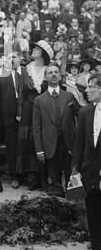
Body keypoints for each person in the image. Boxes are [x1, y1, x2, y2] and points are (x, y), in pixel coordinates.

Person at [33, 62, 79, 197]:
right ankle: (58, 201)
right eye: (50, 72)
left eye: (56, 72)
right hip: (50, 145)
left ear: (60, 76)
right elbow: (36, 127)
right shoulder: (39, 100)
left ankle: (74, 202)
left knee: (72, 178)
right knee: (55, 181)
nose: (53, 74)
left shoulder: (69, 96)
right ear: (45, 77)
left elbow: (81, 114)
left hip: (68, 143)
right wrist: (39, 149)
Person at [71, 74, 101, 250]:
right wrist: (75, 170)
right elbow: (79, 144)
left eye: (91, 87)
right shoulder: (85, 112)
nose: (87, 90)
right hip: (89, 173)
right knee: (93, 212)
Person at [16, 40, 53, 190]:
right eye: (35, 47)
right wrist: (19, 111)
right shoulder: (26, 69)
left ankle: (42, 176)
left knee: (41, 140)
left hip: (43, 109)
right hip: (27, 108)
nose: (34, 50)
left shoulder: (49, 70)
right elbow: (21, 93)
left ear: (43, 53)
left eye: (37, 48)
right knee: (27, 141)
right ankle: (28, 176)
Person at [0, 51, 25, 188]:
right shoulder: (3, 76)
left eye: (15, 57)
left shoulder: (26, 73)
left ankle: (27, 175)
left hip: (25, 117)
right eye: (10, 58)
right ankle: (14, 175)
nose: (12, 60)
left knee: (25, 146)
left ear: (20, 59)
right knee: (12, 146)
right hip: (8, 118)